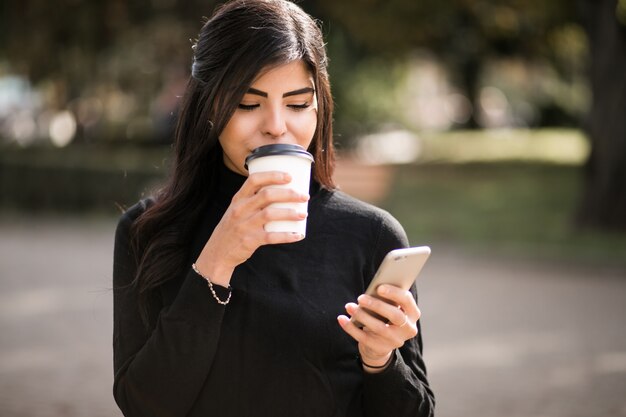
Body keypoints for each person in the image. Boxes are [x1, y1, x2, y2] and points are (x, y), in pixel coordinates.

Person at [112, 1, 435, 416]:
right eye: (249, 103)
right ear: (209, 105)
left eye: (298, 104)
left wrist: (381, 361)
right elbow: (143, 406)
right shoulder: (146, 230)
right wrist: (217, 258)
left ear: (320, 106)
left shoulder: (371, 236)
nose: (277, 125)